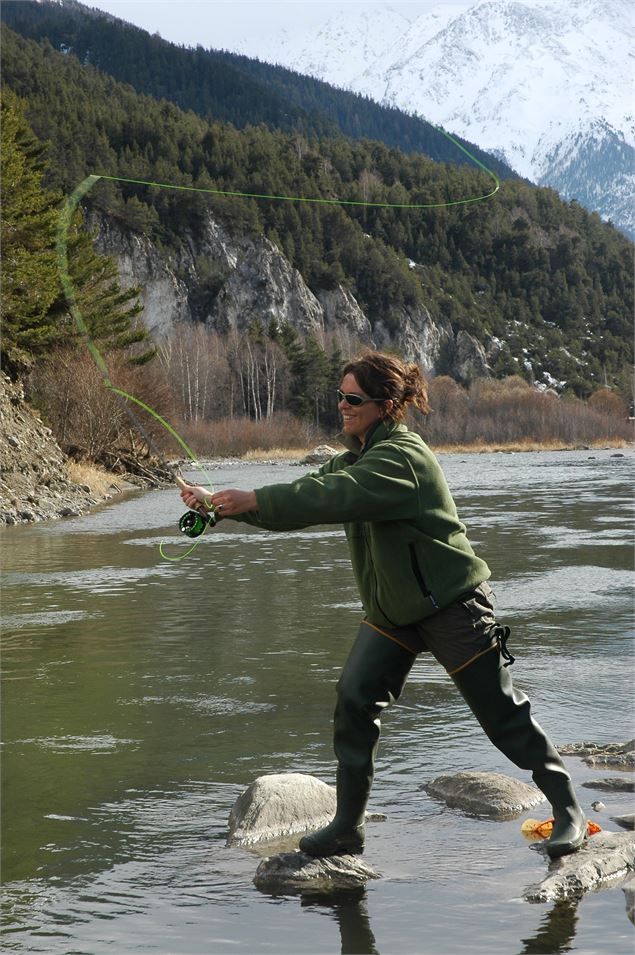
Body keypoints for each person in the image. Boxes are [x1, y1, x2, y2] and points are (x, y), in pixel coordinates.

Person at [179, 351, 587, 860]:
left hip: (452, 605)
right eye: (340, 397)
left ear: (386, 405)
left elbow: (335, 497)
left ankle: (569, 808)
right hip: (393, 612)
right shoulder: (355, 457)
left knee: (501, 714)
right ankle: (347, 826)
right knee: (354, 698)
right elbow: (306, 497)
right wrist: (220, 508)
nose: (342, 406)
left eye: (354, 399)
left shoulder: (402, 459)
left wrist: (252, 497)